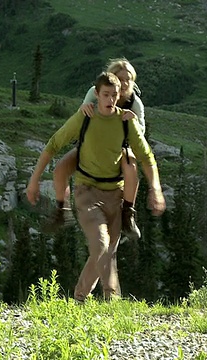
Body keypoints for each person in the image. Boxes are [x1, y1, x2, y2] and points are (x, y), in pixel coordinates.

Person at [26, 72, 165, 302]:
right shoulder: (85, 117)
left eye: (114, 95)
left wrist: (156, 188)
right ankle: (113, 300)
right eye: (105, 95)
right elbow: (54, 143)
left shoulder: (126, 122)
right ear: (96, 95)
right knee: (101, 243)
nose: (109, 100)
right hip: (86, 191)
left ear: (119, 96)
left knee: (108, 249)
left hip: (116, 195)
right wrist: (34, 180)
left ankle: (80, 298)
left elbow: (147, 157)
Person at [43, 58, 145, 242]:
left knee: (131, 169)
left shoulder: (134, 104)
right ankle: (62, 210)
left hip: (119, 150)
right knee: (59, 170)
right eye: (120, 78)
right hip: (90, 146)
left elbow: (141, 134)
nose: (124, 83)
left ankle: (128, 213)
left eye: (128, 79)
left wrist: (134, 122)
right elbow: (82, 116)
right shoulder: (94, 92)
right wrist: (84, 108)